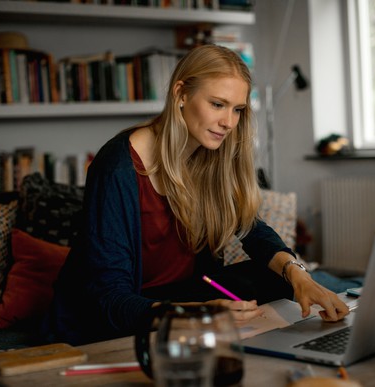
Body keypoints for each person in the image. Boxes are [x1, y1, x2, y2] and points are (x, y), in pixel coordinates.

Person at [43, 44, 349, 346]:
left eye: (237, 109)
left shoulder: (208, 154)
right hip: (118, 312)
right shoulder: (117, 167)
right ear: (181, 94)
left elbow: (251, 229)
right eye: (217, 104)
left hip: (181, 294)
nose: (229, 122)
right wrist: (196, 315)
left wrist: (299, 276)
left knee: (275, 275)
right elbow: (109, 297)